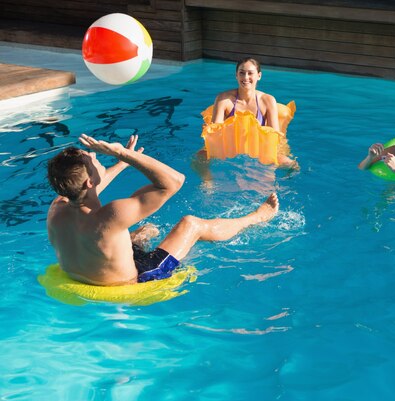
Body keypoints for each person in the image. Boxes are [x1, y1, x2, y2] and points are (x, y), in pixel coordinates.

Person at [47, 133, 279, 286]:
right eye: (95, 161)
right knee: (191, 224)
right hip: (138, 280)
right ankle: (256, 217)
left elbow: (87, 188)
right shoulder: (110, 216)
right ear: (89, 182)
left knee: (145, 229)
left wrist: (121, 165)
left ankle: (140, 238)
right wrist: (123, 153)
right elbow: (174, 182)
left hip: (86, 273)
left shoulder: (57, 209)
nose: (98, 159)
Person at [207, 57, 296, 168]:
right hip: (232, 149)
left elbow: (274, 136)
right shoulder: (223, 100)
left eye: (250, 73)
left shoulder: (267, 100)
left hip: (258, 150)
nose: (246, 77)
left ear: (259, 76)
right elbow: (216, 133)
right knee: (200, 157)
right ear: (236, 75)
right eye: (242, 73)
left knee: (291, 164)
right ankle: (207, 182)